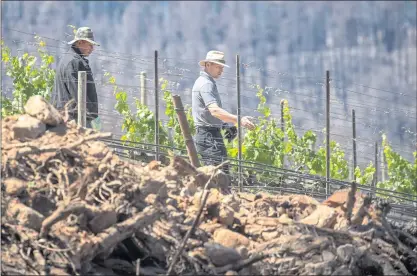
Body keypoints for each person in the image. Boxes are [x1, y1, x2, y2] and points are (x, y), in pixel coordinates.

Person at [192, 50, 256, 174]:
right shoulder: (206, 84)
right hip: (208, 136)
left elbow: (209, 113)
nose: (221, 70)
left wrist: (225, 126)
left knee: (220, 175)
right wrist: (239, 120)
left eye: (222, 67)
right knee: (217, 177)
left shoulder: (206, 82)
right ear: (208, 65)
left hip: (209, 135)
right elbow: (214, 110)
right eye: (218, 67)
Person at [51, 27, 99, 128]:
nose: (92, 49)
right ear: (80, 42)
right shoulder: (74, 62)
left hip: (68, 116)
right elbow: (78, 93)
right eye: (90, 45)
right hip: (73, 119)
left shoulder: (71, 59)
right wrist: (90, 114)